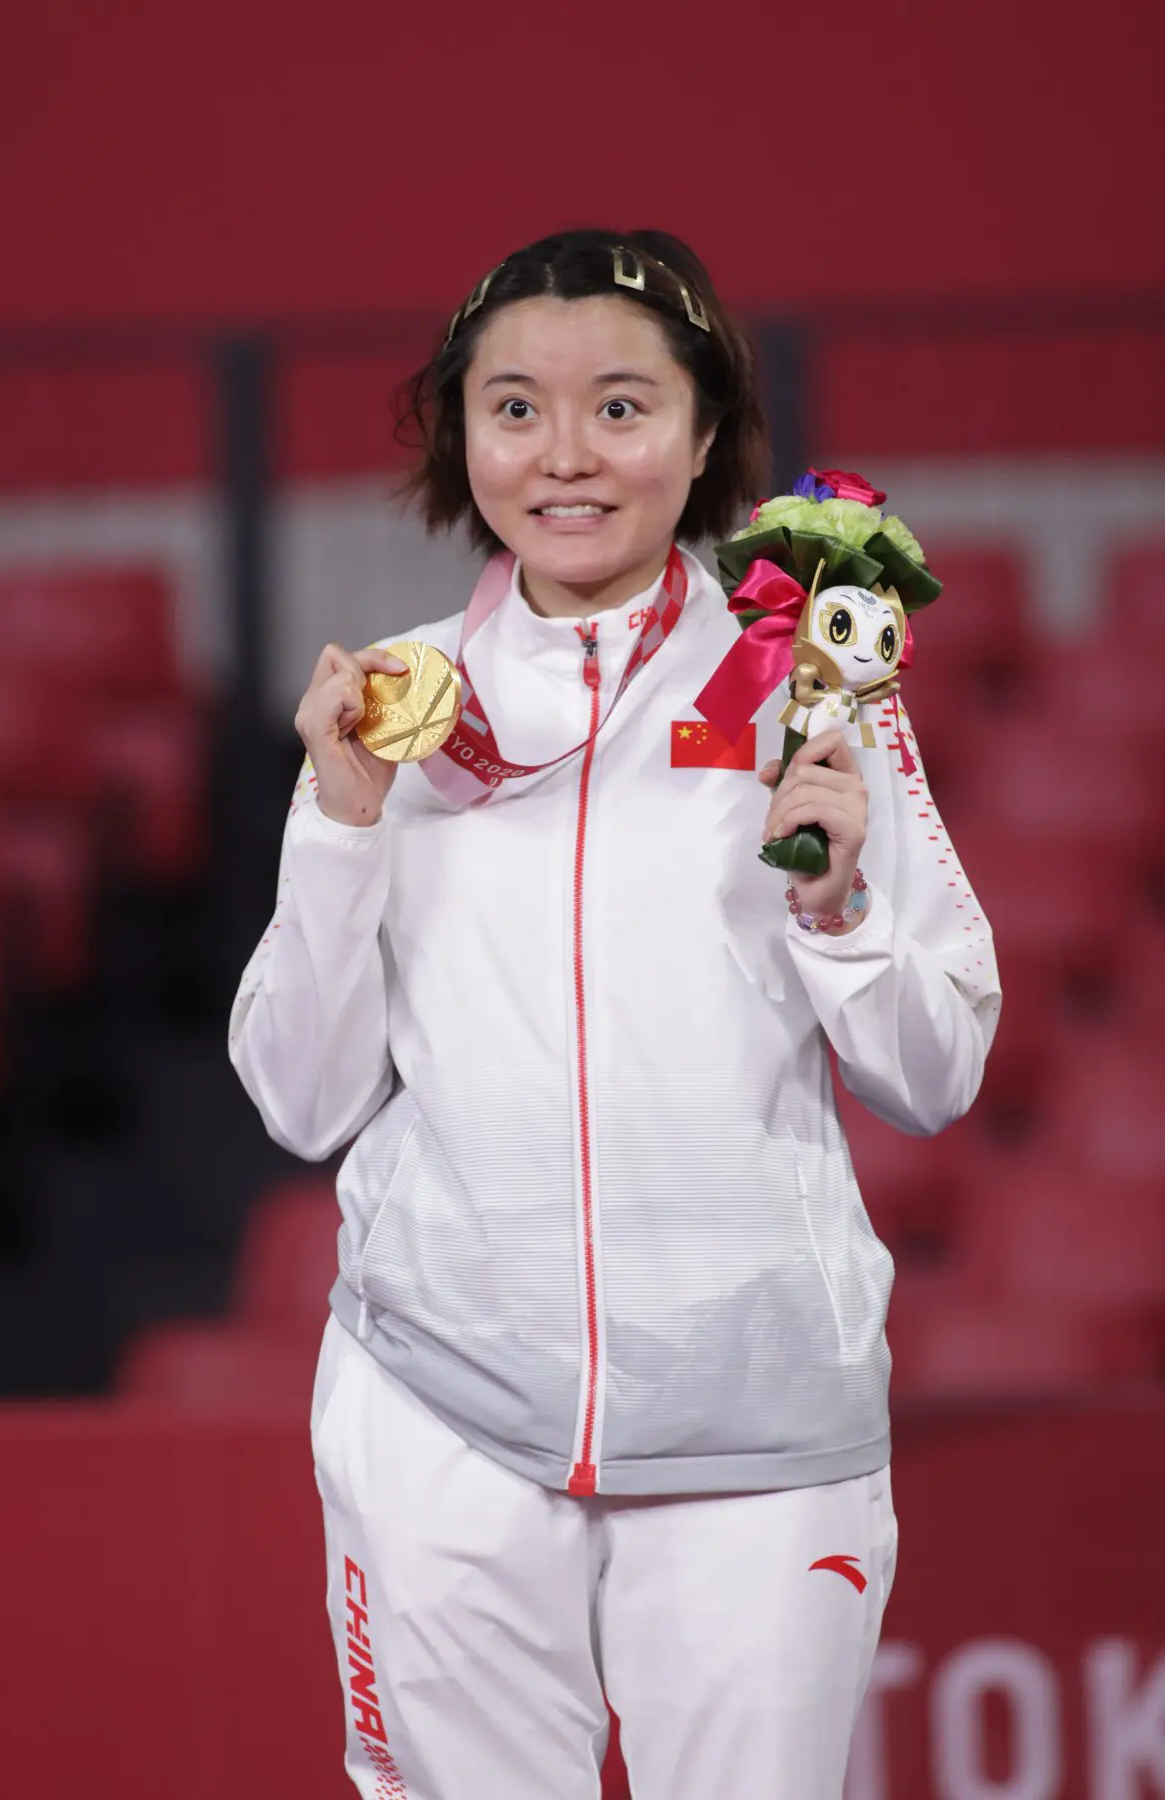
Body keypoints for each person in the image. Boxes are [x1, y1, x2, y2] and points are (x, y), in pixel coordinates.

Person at [229, 228, 999, 1800]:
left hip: (758, 1434)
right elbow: (301, 1105)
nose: (566, 455)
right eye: (515, 407)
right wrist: (343, 823)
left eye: (623, 407)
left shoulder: (817, 693)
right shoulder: (392, 704)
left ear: (707, 436)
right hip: (440, 1414)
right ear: (461, 435)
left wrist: (837, 906)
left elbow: (937, 1072)